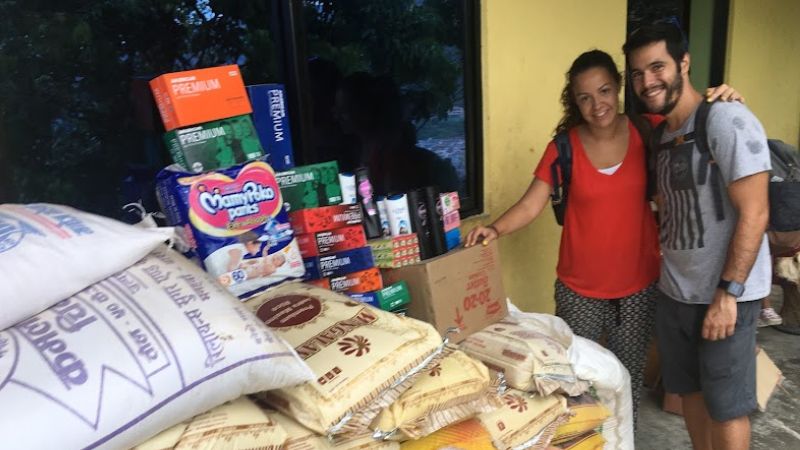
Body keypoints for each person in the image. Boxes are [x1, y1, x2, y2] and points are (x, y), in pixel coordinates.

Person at [464, 49, 740, 426]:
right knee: (578, 385)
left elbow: (696, 118)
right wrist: (493, 229)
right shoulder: (563, 147)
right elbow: (531, 205)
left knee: (626, 381)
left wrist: (723, 99)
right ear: (574, 101)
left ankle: (624, 439)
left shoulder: (650, 130)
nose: (597, 105)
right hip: (580, 290)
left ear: (618, 89)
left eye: (605, 91)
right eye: (585, 97)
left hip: (639, 286)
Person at [624, 23, 771, 450]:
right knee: (688, 393)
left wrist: (729, 293)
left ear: (684, 63)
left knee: (727, 406)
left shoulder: (727, 118)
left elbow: (756, 211)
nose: (647, 81)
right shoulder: (661, 134)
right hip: (676, 292)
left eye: (657, 67)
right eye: (637, 73)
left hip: (724, 296)